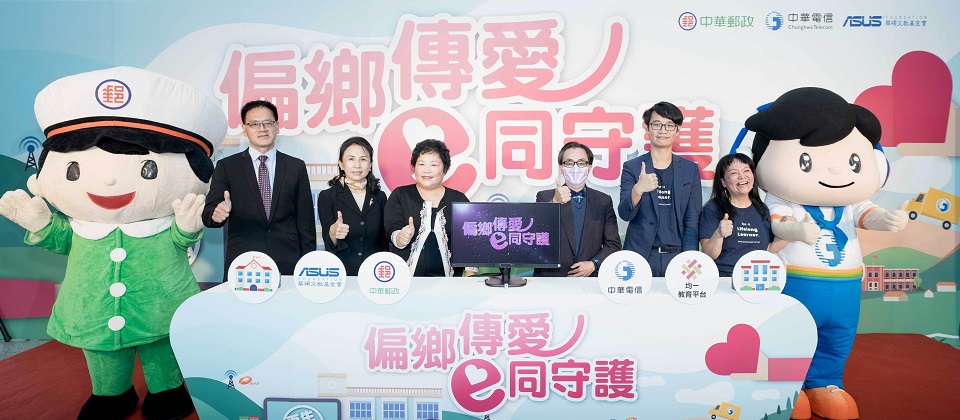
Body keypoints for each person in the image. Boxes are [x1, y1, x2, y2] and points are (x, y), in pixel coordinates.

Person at [0, 67, 224, 419]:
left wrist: (186, 227)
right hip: (94, 308)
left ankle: (167, 390)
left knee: (160, 347)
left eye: (148, 168)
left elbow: (179, 239)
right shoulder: (81, 226)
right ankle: (112, 394)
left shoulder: (162, 221)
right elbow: (62, 240)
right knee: (103, 353)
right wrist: (42, 225)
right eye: (73, 170)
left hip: (160, 305)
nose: (107, 181)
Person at [745, 87, 908, 420]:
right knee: (792, 334)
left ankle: (825, 383)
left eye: (852, 161)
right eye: (806, 161)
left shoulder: (851, 202)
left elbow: (869, 214)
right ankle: (787, 385)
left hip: (845, 285)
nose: (836, 172)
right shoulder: (783, 198)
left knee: (838, 336)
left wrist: (887, 220)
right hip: (798, 283)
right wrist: (796, 231)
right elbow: (778, 222)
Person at [202, 100, 316, 278]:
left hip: (288, 260)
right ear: (244, 129)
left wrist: (308, 265)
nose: (262, 129)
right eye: (254, 124)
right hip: (243, 262)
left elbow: (305, 222)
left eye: (268, 123)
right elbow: (209, 212)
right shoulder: (227, 167)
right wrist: (215, 215)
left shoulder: (296, 167)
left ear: (277, 127)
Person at [618, 101, 702, 277]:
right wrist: (638, 190)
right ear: (647, 128)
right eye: (656, 124)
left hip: (677, 256)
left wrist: (689, 258)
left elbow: (692, 219)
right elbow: (625, 214)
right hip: (640, 255)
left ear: (677, 130)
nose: (663, 130)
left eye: (669, 125)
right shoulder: (632, 167)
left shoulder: (690, 170)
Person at [534, 142, 621, 277]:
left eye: (581, 163)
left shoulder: (603, 201)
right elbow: (535, 236)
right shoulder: (544, 197)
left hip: (590, 279)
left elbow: (613, 244)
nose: (575, 168)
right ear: (561, 168)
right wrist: (554, 203)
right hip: (551, 277)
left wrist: (594, 264)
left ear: (589, 167)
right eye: (569, 163)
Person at [384, 139, 469, 276]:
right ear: (414, 167)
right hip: (406, 280)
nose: (427, 170)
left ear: (445, 169)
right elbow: (391, 229)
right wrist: (401, 237)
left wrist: (470, 274)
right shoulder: (401, 195)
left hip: (450, 281)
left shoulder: (458, 200)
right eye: (421, 164)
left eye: (434, 165)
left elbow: (468, 241)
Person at [698, 153, 790, 277]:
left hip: (755, 279)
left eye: (746, 171)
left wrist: (790, 231)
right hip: (725, 280)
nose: (742, 176)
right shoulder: (713, 208)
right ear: (723, 182)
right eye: (734, 173)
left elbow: (767, 249)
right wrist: (719, 234)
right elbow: (708, 254)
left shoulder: (762, 209)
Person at [317, 136, 388, 276]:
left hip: (374, 272)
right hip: (341, 272)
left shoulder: (380, 197)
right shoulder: (327, 196)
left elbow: (383, 241)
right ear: (341, 164)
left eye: (363, 159)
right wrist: (333, 232)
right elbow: (328, 242)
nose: (357, 165)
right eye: (351, 159)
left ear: (370, 164)